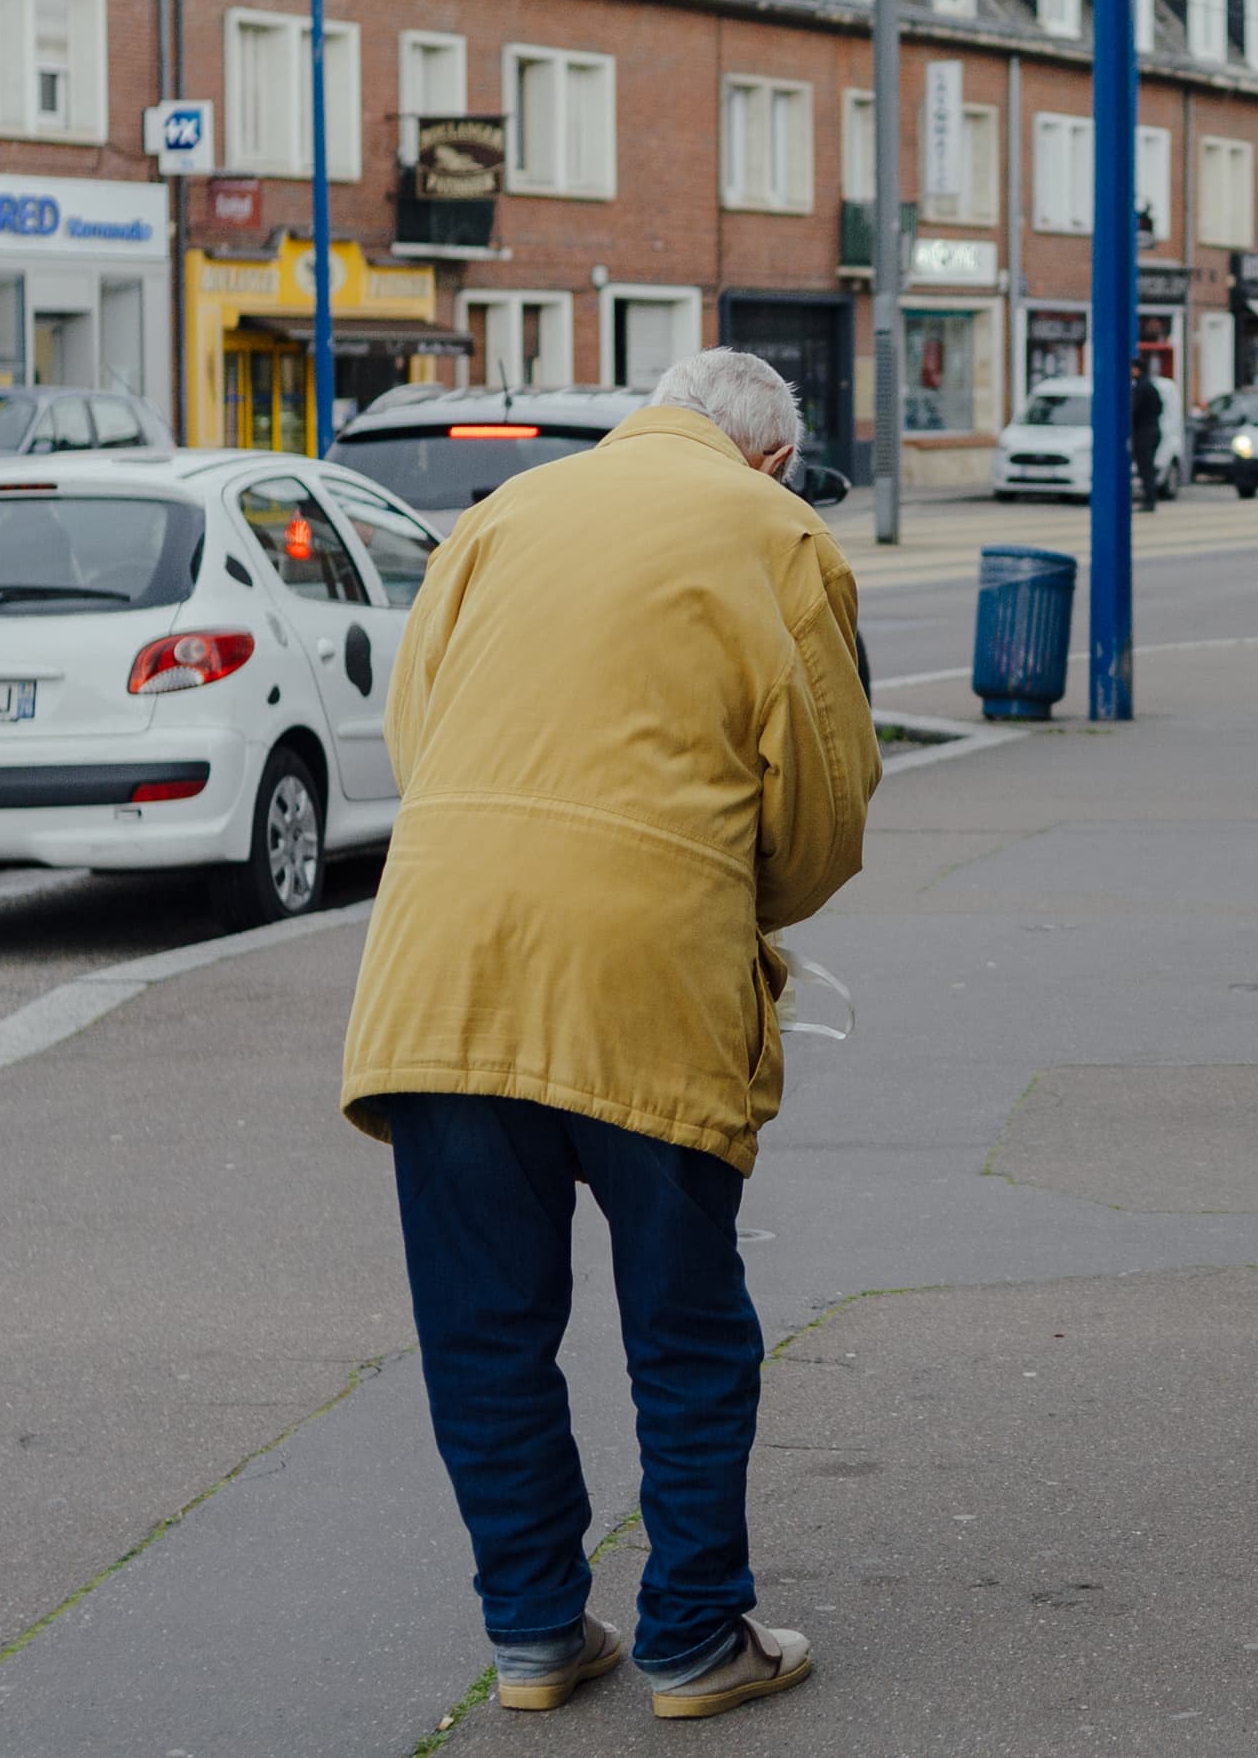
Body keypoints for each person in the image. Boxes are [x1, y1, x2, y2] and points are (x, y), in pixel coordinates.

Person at [339, 348, 878, 1721]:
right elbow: (823, 802)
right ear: (770, 459)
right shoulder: (777, 533)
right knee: (687, 1320)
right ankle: (695, 1636)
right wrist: (726, 895)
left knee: (483, 1324)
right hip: (647, 963)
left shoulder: (499, 518)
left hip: (442, 964)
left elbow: (419, 733)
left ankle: (532, 1634)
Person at [1129, 356, 1164, 512]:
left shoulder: (1140, 387)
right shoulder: (1150, 386)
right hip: (1152, 430)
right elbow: (1159, 407)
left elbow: (1134, 410)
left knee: (1145, 468)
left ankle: (1149, 500)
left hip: (1143, 433)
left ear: (1137, 369)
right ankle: (1149, 498)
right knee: (1147, 467)